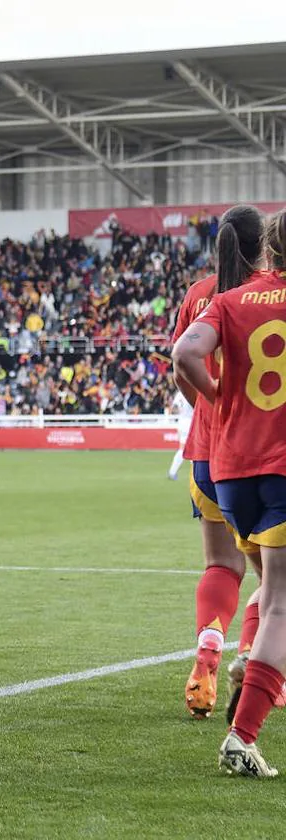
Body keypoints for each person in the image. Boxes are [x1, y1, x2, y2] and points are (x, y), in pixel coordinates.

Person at [173, 208, 286, 777]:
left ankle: (224, 651)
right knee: (279, 592)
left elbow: (181, 361)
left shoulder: (211, 294)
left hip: (219, 456)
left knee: (238, 570)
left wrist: (221, 405)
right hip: (274, 452)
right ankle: (247, 713)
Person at [168, 389, 192, 481]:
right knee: (191, 449)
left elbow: (174, 408)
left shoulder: (179, 394)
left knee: (183, 449)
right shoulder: (192, 391)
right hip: (190, 422)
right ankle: (196, 472)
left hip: (181, 422)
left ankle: (172, 472)